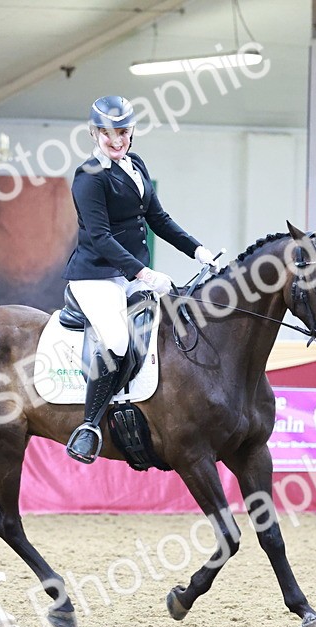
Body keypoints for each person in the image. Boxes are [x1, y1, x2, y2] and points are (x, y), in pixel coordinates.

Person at [62, 95, 215, 464]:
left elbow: (157, 219)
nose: (117, 141)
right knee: (116, 341)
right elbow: (100, 237)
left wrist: (197, 250)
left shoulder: (136, 165)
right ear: (94, 134)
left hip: (131, 274)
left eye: (123, 132)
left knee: (178, 321)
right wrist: (144, 273)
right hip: (96, 276)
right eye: (108, 134)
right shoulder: (89, 177)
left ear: (132, 132)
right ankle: (89, 426)